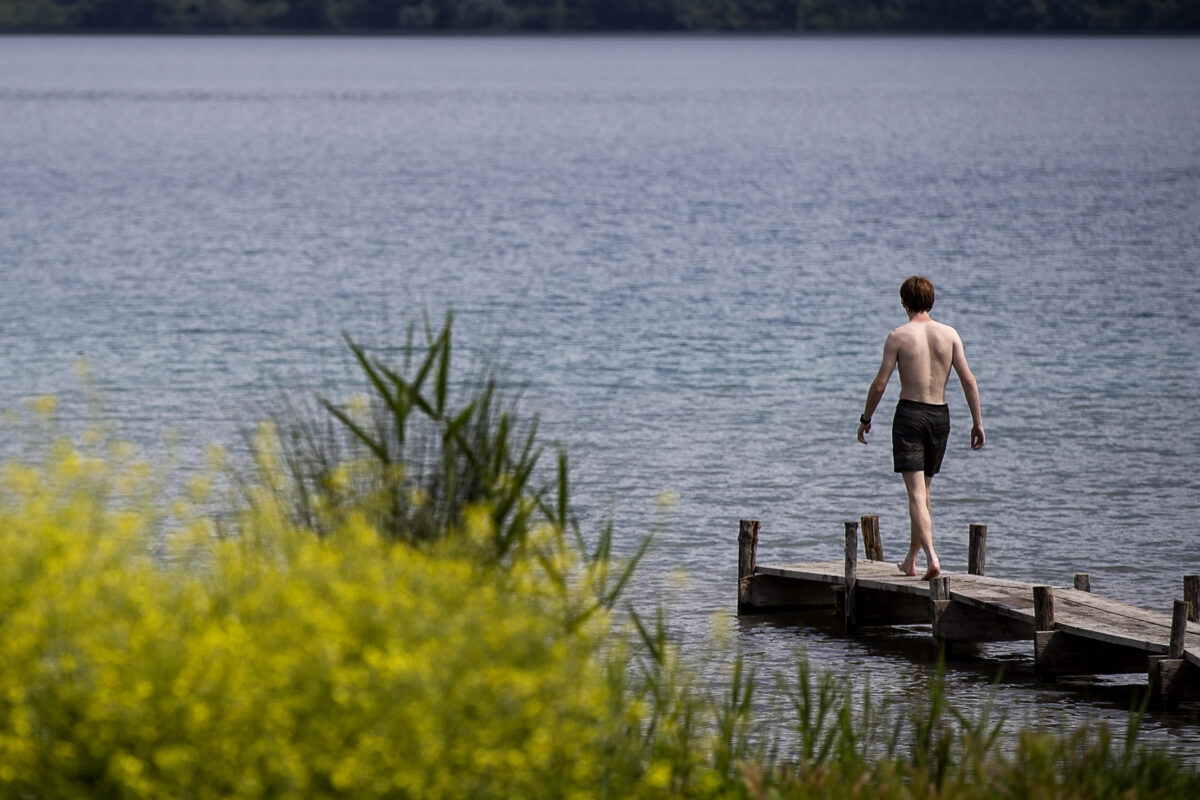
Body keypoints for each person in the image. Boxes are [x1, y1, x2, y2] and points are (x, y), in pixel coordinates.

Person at [856, 276, 984, 581]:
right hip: (941, 417)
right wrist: (977, 422)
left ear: (904, 302)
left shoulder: (898, 336)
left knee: (915, 495)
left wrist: (865, 418)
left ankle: (932, 558)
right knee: (924, 494)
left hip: (910, 415)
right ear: (932, 301)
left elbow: (880, 383)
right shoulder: (950, 334)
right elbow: (968, 380)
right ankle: (911, 561)